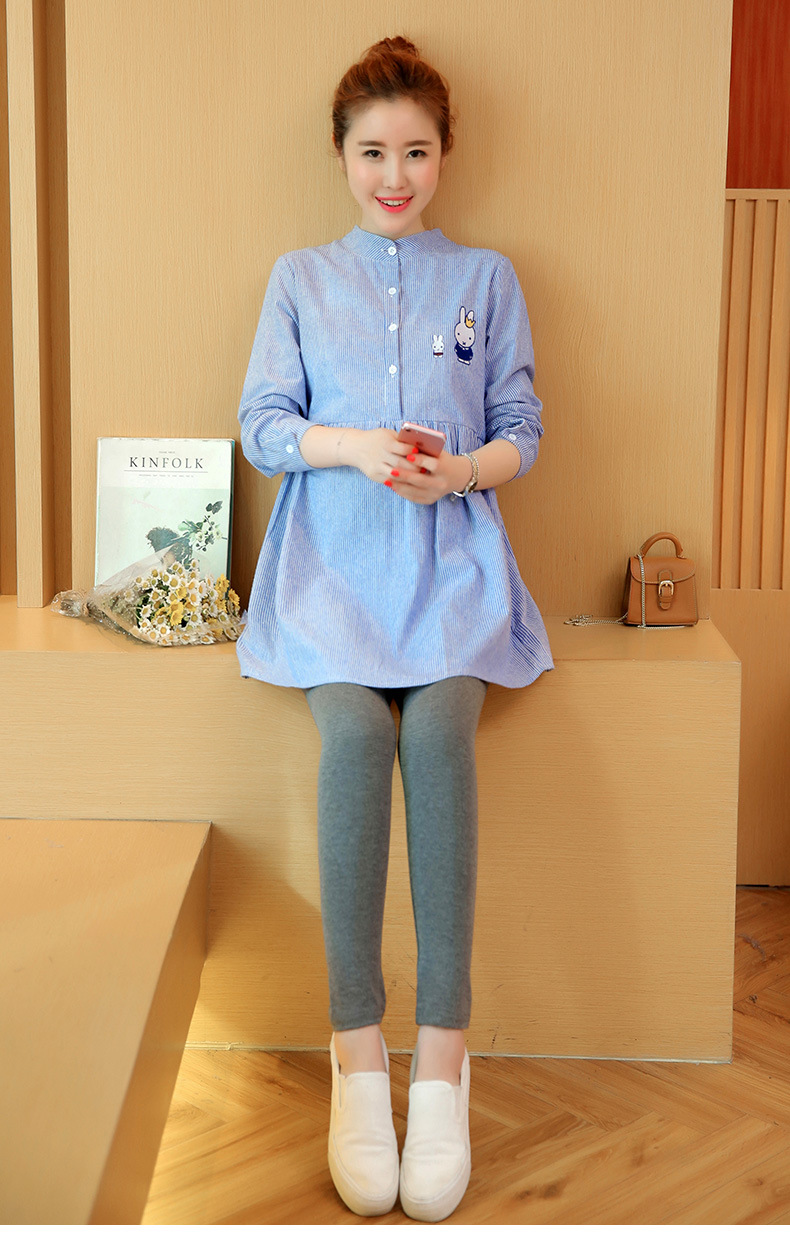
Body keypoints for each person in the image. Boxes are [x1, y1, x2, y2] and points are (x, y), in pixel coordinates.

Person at [236, 35, 554, 1221]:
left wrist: (457, 469)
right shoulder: (298, 279)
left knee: (437, 737)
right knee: (359, 739)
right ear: (340, 154)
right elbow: (263, 423)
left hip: (453, 572)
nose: (394, 174)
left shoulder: (488, 277)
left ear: (443, 156)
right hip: (328, 574)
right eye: (373, 151)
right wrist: (353, 447)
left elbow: (522, 424)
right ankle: (356, 1052)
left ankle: (445, 1062)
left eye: (415, 151)